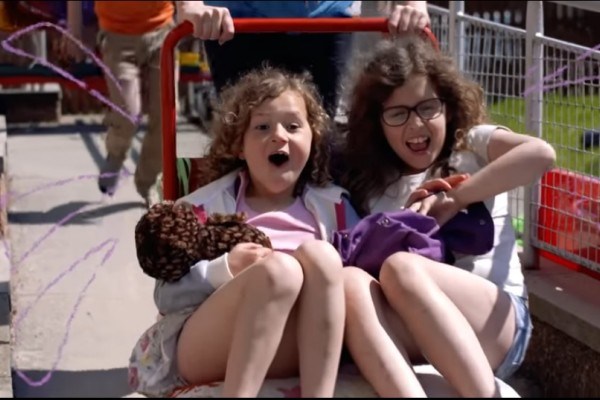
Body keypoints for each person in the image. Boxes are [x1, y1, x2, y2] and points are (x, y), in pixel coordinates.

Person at [335, 34, 556, 397]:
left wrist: (453, 201)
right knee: (352, 286)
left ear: (448, 106)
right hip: (418, 328)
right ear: (377, 122)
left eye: (427, 107)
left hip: (495, 324)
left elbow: (541, 155)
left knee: (401, 268)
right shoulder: (370, 183)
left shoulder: (471, 145)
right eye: (397, 113)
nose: (416, 125)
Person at [128, 67, 361, 398]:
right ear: (239, 144)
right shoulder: (202, 208)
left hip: (304, 341)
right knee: (279, 271)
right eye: (262, 127)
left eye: (293, 126)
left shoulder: (335, 206)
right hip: (210, 344)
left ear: (313, 138)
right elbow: (164, 297)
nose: (279, 136)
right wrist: (225, 269)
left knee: (322, 257)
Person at [174, 1, 430, 118]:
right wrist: (189, 5)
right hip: (236, 19)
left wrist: (413, 4)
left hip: (327, 18)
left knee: (325, 133)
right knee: (242, 132)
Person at [63, 1, 177, 206]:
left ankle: (149, 184)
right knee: (128, 113)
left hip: (162, 32)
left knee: (165, 117)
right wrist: (74, 31)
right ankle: (116, 155)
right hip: (117, 37)